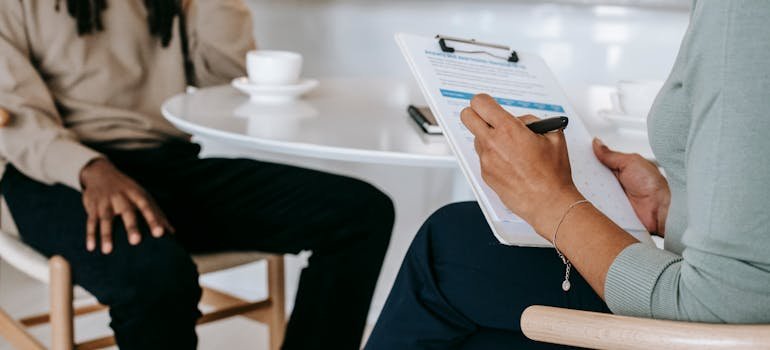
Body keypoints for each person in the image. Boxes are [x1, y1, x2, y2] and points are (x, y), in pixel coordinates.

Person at [365, 1, 770, 348]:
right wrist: (671, 209)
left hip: (699, 331)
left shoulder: (743, 15)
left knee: (451, 245)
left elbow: (720, 310)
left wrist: (551, 202)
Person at [0, 1, 394, 349]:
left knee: (360, 213)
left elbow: (228, 79)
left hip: (165, 161)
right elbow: (14, 116)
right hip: (52, 172)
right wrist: (88, 168)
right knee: (156, 279)